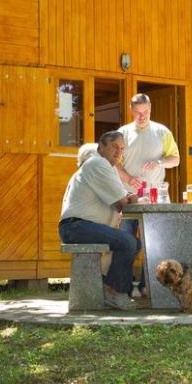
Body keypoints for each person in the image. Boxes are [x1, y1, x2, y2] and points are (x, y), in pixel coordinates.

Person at [58, 132, 141, 310]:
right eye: (114, 147)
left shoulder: (105, 167)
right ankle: (115, 292)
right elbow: (122, 201)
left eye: (121, 148)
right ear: (101, 147)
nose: (119, 152)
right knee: (127, 241)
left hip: (79, 226)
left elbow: (121, 197)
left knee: (132, 243)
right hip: (76, 226)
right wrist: (129, 198)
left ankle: (108, 287)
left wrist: (127, 198)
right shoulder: (98, 163)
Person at [116, 93, 181, 296]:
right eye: (137, 113)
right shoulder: (123, 133)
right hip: (128, 196)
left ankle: (148, 287)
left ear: (150, 109)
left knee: (155, 243)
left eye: (145, 112)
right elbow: (112, 163)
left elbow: (176, 159)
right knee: (126, 243)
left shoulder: (162, 132)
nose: (142, 117)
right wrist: (127, 177)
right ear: (131, 111)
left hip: (155, 196)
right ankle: (122, 289)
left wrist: (160, 162)